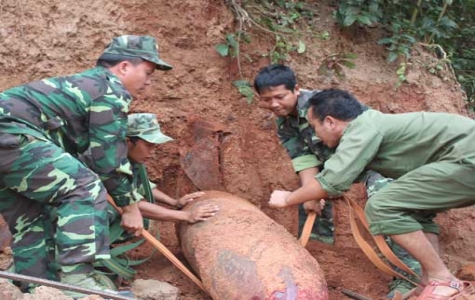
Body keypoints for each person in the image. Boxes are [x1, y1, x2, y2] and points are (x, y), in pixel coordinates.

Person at [0, 35, 172, 296]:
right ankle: (78, 280)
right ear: (124, 67)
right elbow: (107, 161)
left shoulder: (85, 86)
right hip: (11, 137)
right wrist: (129, 207)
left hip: (9, 145)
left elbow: (87, 154)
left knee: (32, 216)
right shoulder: (109, 90)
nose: (149, 81)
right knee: (85, 186)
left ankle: (36, 286)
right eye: (147, 72)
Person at [268, 88, 475, 299]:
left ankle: (443, 279)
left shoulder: (362, 129)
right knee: (416, 211)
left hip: (467, 159)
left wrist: (287, 198)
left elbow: (332, 181)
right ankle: (430, 279)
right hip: (461, 159)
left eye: (314, 127)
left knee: (381, 205)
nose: (316, 136)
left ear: (330, 122)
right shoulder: (369, 124)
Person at [253, 64, 421, 297]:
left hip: (378, 161)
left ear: (296, 90)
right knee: (308, 197)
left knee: (385, 206)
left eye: (280, 97)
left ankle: (409, 280)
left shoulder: (323, 105)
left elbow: (363, 134)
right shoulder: (283, 122)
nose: (274, 104)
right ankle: (319, 259)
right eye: (266, 99)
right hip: (337, 167)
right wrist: (310, 193)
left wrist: (327, 182)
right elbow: (303, 158)